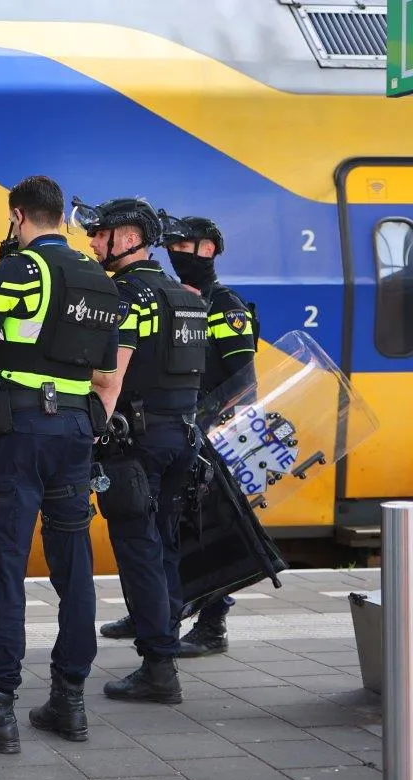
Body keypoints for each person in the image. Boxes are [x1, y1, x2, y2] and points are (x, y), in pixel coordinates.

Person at [0, 176, 121, 754]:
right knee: (73, 565)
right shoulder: (99, 278)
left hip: (22, 433)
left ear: (19, 216)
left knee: (6, 563)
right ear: (62, 215)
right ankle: (69, 701)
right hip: (75, 429)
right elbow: (105, 372)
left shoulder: (20, 271)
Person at [79, 196, 209, 705]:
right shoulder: (186, 297)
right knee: (166, 544)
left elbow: (111, 374)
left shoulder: (125, 296)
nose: (92, 243)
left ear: (129, 239)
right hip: (181, 436)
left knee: (139, 550)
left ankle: (158, 668)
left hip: (138, 444)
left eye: (100, 234)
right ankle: (167, 642)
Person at [161, 212, 257, 657]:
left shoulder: (225, 306)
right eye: (174, 248)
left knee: (212, 530)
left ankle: (212, 626)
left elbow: (244, 381)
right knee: (169, 526)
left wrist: (203, 418)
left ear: (211, 250)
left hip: (213, 438)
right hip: (179, 434)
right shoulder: (178, 299)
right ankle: (162, 610)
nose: (180, 256)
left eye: (188, 248)